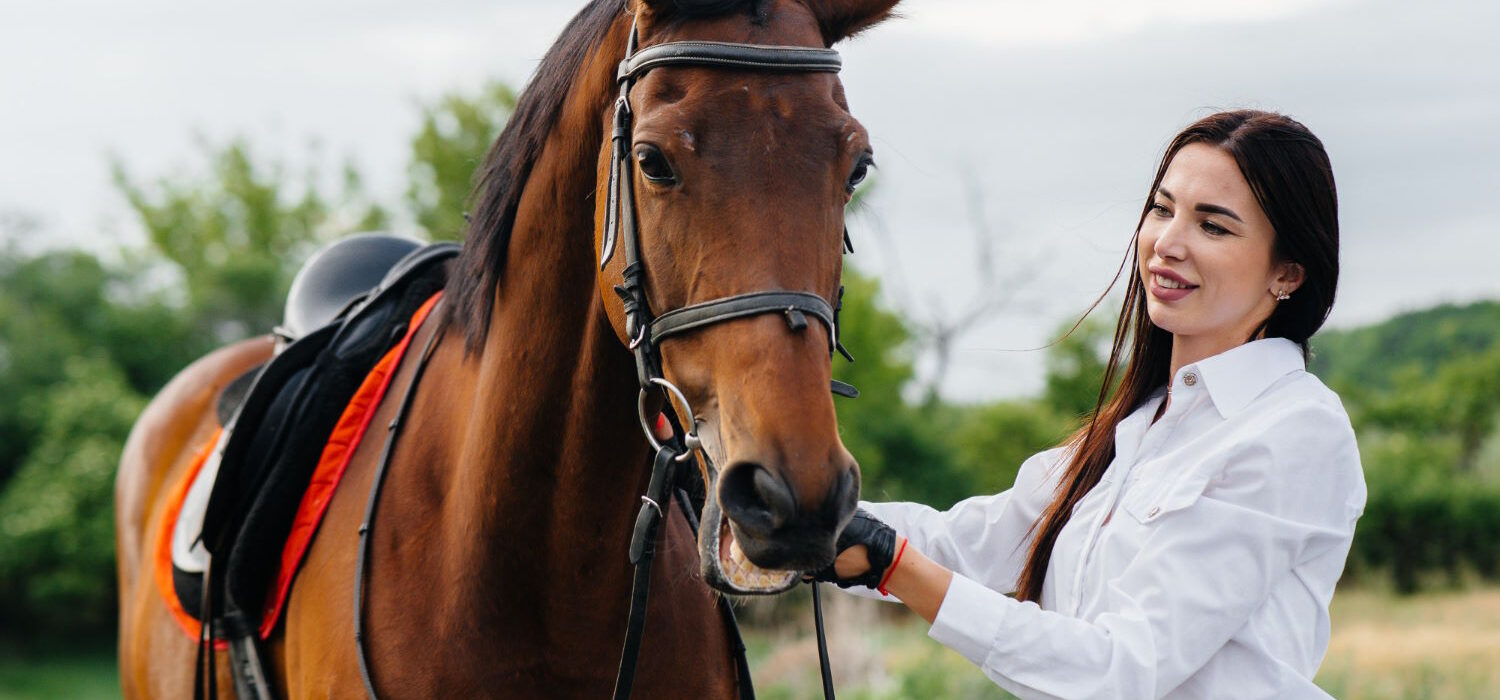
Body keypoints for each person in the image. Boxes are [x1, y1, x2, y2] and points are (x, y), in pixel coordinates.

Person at [814, 110, 1365, 699]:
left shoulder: (1295, 430)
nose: (1167, 244)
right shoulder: (1137, 426)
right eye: (1162, 209)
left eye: (1213, 227)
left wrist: (897, 569)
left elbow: (1122, 670)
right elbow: (970, 540)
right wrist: (799, 517)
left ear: (1288, 272)